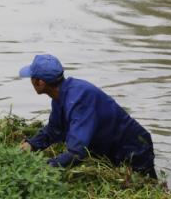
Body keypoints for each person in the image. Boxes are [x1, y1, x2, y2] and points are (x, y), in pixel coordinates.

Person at [18, 54, 157, 178]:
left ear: (40, 82)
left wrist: (44, 168)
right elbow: (54, 130)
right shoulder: (60, 96)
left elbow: (76, 152)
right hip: (109, 146)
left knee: (146, 185)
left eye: (32, 78)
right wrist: (32, 144)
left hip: (133, 147)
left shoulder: (79, 100)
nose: (31, 81)